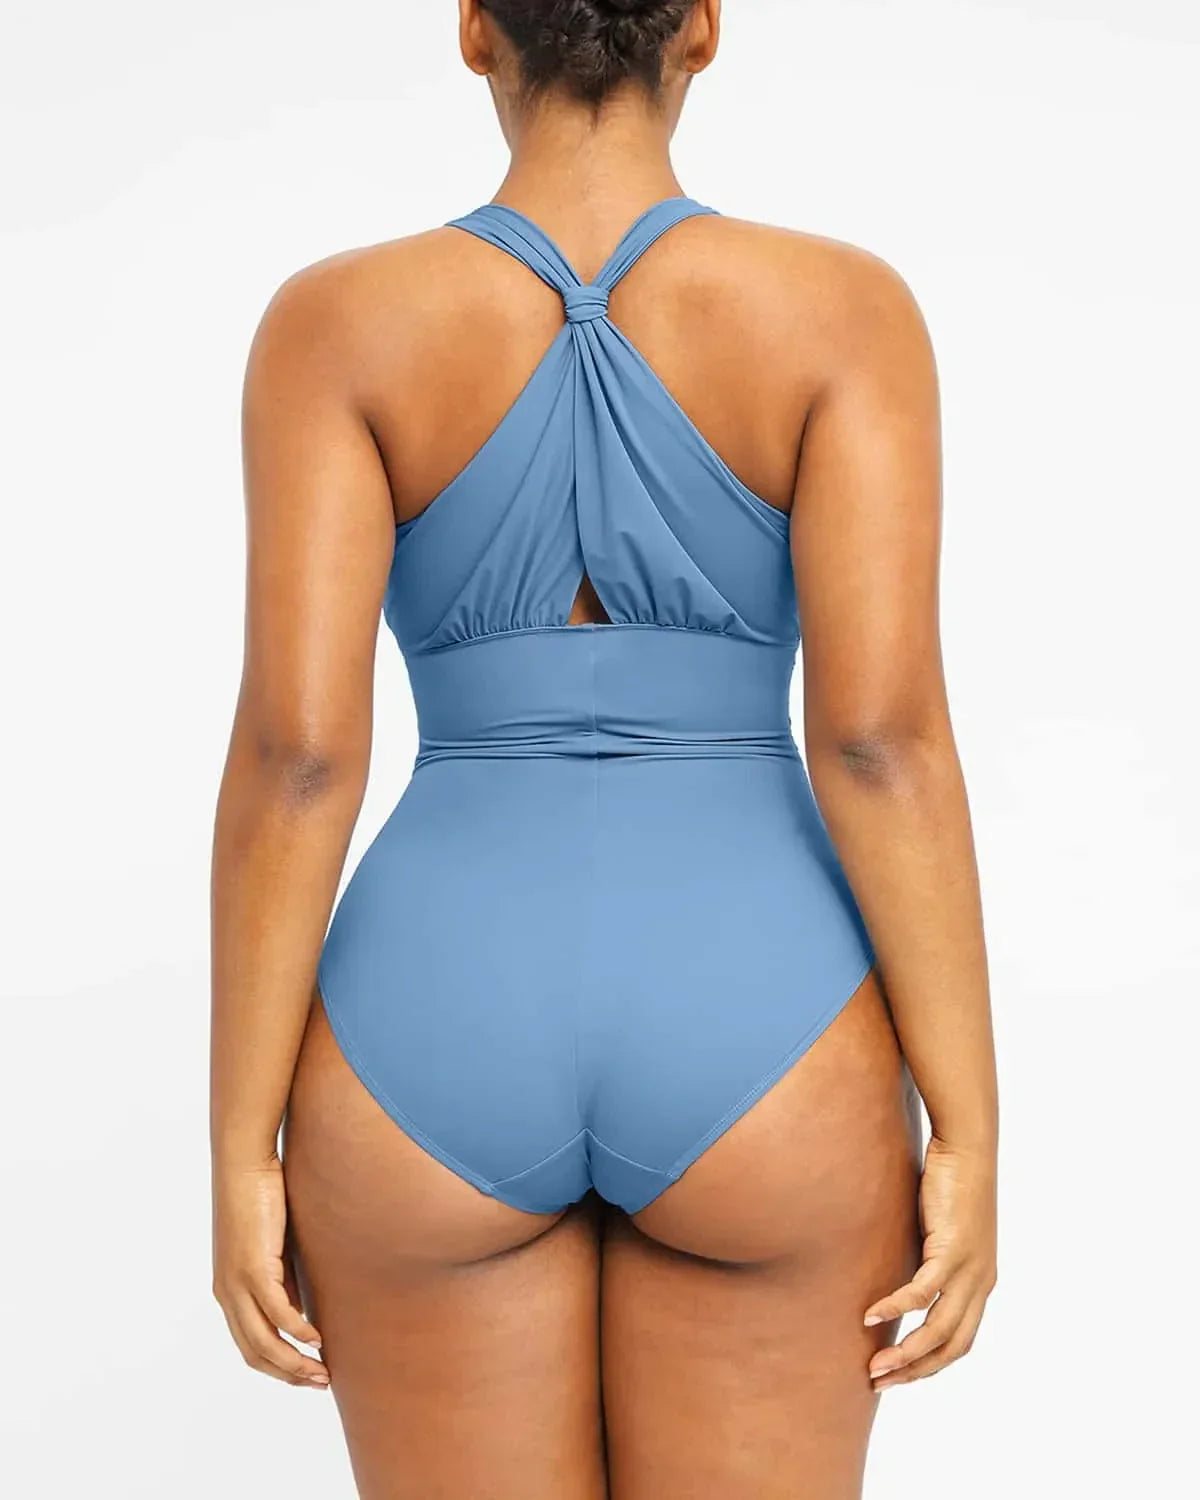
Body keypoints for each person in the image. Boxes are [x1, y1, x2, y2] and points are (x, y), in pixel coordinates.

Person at [210, 2, 998, 1495]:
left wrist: (240, 1147)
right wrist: (969, 1126)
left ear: (473, 29)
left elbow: (297, 759)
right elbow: (881, 742)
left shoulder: (336, 322)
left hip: (428, 1016)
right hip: (766, 1017)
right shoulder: (842, 309)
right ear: (699, 27)